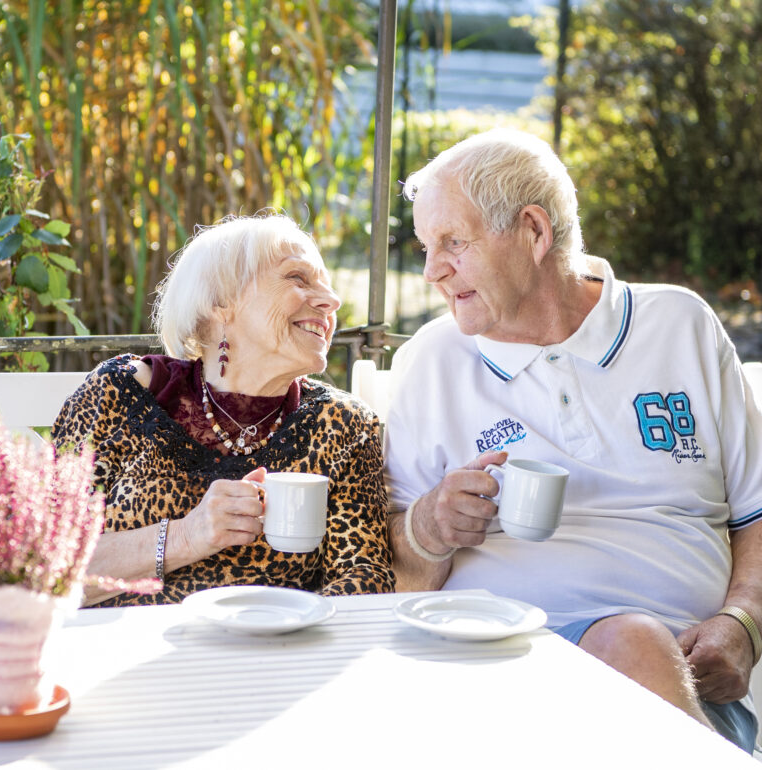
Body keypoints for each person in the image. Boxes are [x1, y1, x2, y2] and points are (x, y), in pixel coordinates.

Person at [384, 128, 762, 751]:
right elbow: (394, 576)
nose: (431, 271)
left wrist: (742, 624)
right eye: (426, 247)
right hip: (496, 679)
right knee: (628, 641)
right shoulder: (434, 360)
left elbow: (756, 515)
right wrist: (428, 526)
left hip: (685, 680)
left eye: (453, 242)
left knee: (632, 644)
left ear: (534, 232)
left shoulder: (679, 325)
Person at [52, 212, 395, 607]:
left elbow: (364, 576)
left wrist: (286, 630)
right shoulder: (121, 394)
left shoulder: (344, 424)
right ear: (220, 303)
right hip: (128, 654)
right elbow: (33, 566)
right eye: (298, 279)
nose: (332, 301)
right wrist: (187, 536)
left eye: (327, 285)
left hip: (278, 654)